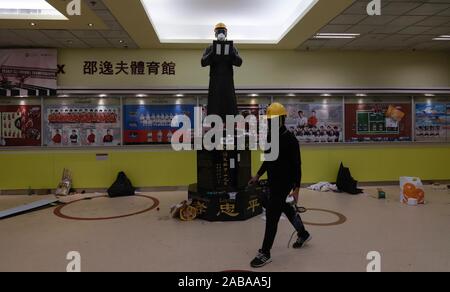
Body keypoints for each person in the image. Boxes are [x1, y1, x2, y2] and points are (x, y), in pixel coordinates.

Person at [248, 102, 311, 268]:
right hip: (273, 181)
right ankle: (303, 233)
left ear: (282, 119)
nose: (271, 123)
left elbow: (297, 166)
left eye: (274, 120)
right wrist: (258, 175)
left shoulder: (290, 140)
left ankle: (265, 252)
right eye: (269, 120)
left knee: (272, 215)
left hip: (285, 183)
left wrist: (297, 189)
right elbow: (268, 160)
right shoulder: (270, 137)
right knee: (284, 207)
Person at [201, 23, 243, 120]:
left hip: (228, 82)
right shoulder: (210, 48)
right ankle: (214, 124)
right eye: (219, 31)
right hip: (215, 82)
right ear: (215, 34)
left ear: (226, 33)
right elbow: (203, 62)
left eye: (223, 31)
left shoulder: (232, 48)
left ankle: (229, 125)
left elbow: (239, 62)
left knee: (229, 105)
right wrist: (213, 52)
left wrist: (232, 54)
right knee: (214, 105)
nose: (221, 33)